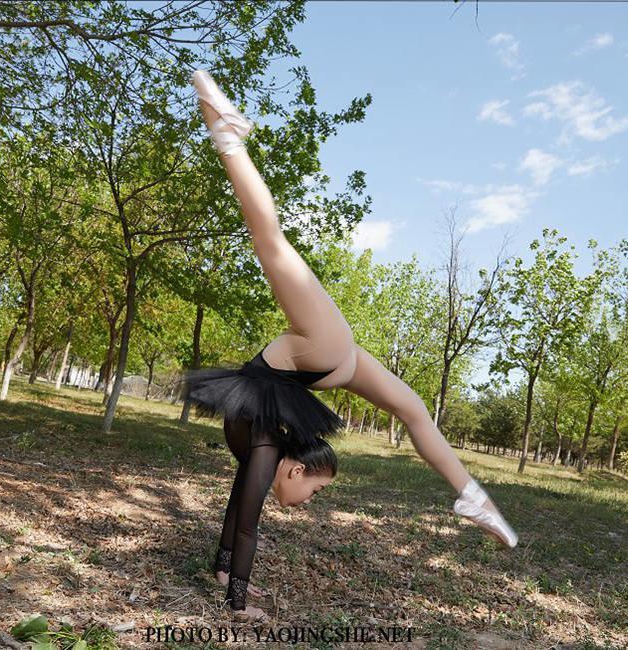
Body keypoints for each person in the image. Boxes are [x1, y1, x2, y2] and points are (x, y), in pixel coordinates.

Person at [184, 69, 518, 624]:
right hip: (326, 363)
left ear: (293, 470)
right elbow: (241, 513)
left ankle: (228, 137)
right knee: (412, 409)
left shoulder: (266, 448)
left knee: (271, 243)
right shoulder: (264, 445)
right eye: (317, 494)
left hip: (323, 351)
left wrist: (234, 597)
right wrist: (229, 583)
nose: (308, 503)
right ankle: (468, 494)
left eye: (312, 493)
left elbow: (245, 520)